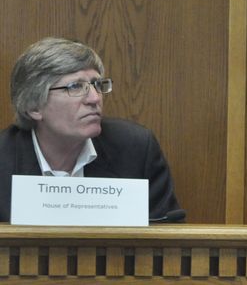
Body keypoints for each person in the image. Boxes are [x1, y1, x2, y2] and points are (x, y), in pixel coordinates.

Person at [0, 37, 180, 221]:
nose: (94, 98)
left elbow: (167, 239)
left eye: (96, 84)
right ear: (33, 107)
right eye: (75, 86)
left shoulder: (135, 149)